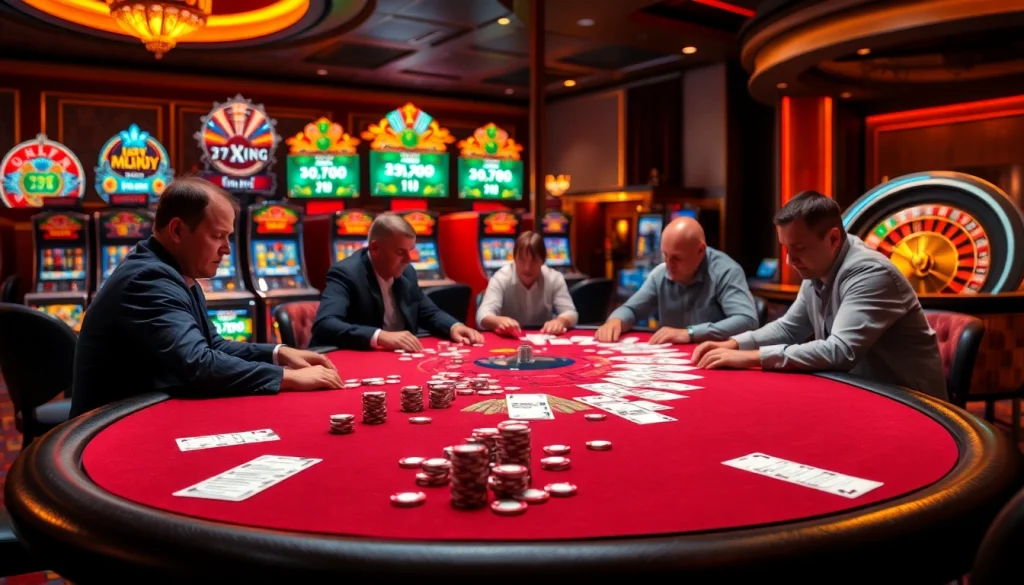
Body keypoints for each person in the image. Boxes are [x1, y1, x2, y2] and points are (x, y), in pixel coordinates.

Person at [71, 178, 343, 417]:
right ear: (177, 230)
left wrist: (278, 353)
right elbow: (198, 365)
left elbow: (213, 346)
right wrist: (288, 378)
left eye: (228, 237)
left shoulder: (174, 272)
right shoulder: (148, 279)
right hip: (108, 430)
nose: (226, 249)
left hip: (141, 412)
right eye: (217, 236)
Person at [692, 190, 947, 400]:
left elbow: (840, 350)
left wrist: (750, 357)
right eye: (786, 249)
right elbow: (788, 329)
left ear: (833, 238)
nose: (791, 260)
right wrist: (733, 344)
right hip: (862, 393)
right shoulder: (817, 268)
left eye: (799, 248)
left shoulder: (870, 273)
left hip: (913, 405)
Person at [309, 213, 484, 351]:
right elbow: (326, 324)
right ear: (375, 248)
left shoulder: (406, 272)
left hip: (394, 358)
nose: (409, 259)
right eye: (401, 252)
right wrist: (380, 336)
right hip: (352, 360)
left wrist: (454, 326)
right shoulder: (347, 273)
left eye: (411, 251)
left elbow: (429, 312)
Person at [595, 217, 758, 345]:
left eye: (676, 258)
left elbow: (747, 321)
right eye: (665, 255)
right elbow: (631, 310)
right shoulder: (661, 273)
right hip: (671, 361)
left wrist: (690, 333)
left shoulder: (726, 272)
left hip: (715, 359)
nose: (668, 264)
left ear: (700, 250)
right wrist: (616, 320)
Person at [476, 231, 578, 337]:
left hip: (544, 336)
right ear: (514, 258)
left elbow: (570, 312)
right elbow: (482, 315)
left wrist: (560, 321)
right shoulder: (500, 278)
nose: (527, 268)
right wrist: (497, 321)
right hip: (510, 338)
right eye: (522, 260)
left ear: (543, 260)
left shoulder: (554, 278)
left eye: (534, 261)